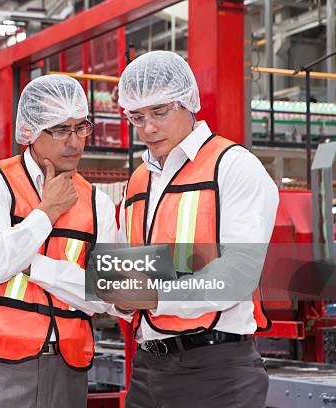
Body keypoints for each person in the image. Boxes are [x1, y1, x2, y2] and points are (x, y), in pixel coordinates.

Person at [108, 51, 279, 408]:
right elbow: (135, 268)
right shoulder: (139, 180)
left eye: (159, 112)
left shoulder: (232, 167)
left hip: (215, 369)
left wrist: (155, 297)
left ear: (189, 102)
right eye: (137, 117)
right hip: (147, 367)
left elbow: (239, 273)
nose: (148, 128)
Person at [0, 74, 127, 408]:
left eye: (80, 128)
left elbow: (106, 294)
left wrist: (31, 264)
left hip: (68, 366)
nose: (74, 142)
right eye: (60, 130)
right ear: (29, 131)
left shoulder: (98, 203)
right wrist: (46, 213)